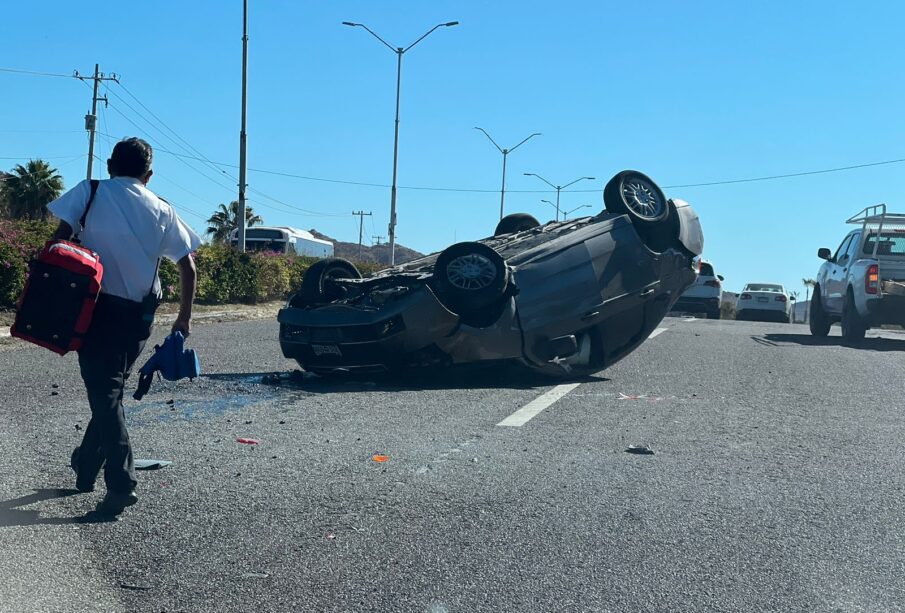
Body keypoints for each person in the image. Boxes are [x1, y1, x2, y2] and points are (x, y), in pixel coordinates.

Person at [47, 137, 201, 515]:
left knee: (105, 393)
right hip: (139, 318)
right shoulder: (162, 209)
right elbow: (188, 265)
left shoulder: (91, 190)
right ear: (149, 175)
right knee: (109, 392)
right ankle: (85, 464)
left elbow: (58, 242)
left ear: (110, 164)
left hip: (93, 309)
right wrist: (184, 318)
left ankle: (121, 483)